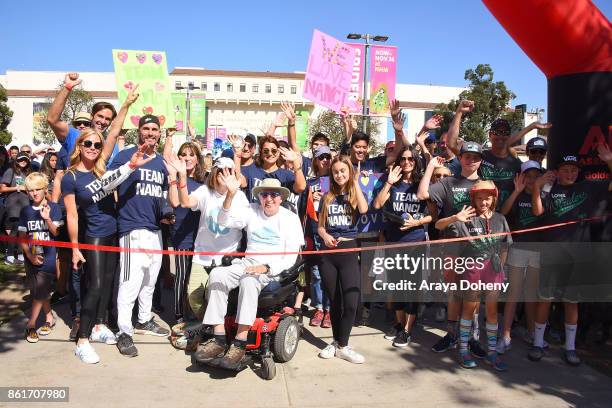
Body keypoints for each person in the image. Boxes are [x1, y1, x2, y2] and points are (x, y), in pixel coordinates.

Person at [194, 178, 304, 370]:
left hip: (272, 270)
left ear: (281, 197)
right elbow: (223, 219)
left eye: (274, 194)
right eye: (264, 194)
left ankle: (240, 342)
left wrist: (267, 268)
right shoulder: (252, 211)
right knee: (217, 275)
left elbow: (291, 256)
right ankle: (219, 337)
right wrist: (230, 194)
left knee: (249, 280)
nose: (268, 199)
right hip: (247, 263)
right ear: (259, 197)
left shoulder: (290, 218)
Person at [528, 146, 612, 366]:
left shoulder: (588, 188)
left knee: (571, 301)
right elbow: (537, 212)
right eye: (566, 169)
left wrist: (609, 160)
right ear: (557, 171)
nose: (570, 173)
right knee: (545, 299)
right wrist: (537, 186)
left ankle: (571, 347)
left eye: (574, 170)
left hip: (578, 255)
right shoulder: (550, 189)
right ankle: (538, 343)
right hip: (552, 252)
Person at [417, 142, 488, 359]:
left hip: (477, 247)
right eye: (467, 156)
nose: (471, 160)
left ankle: (472, 337)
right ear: (461, 158)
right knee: (454, 293)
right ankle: (452, 334)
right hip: (452, 244)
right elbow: (421, 195)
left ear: (480, 161)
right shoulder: (449, 182)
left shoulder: (486, 184)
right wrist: (430, 167)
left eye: (475, 157)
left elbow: (494, 214)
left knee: (473, 295)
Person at [108, 114, 171, 357]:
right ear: (139, 131)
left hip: (155, 229)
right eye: (146, 128)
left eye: (155, 129)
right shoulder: (126, 155)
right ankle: (124, 331)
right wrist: (130, 166)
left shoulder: (161, 162)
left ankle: (144, 319)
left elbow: (163, 193)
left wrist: (166, 212)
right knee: (129, 282)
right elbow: (108, 183)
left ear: (159, 132)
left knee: (149, 281)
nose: (151, 133)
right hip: (131, 228)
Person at [436, 180, 511, 371]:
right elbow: (438, 225)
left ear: (494, 198)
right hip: (471, 270)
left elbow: (505, 245)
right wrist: (454, 218)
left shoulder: (501, 219)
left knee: (492, 311)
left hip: (493, 270)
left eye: (487, 198)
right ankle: (463, 350)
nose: (483, 202)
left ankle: (492, 352)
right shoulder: (466, 217)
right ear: (473, 199)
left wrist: (501, 267)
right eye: (479, 198)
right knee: (468, 309)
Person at [373, 147, 432, 347]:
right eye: (403, 158)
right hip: (394, 241)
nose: (407, 162)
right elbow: (377, 205)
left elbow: (434, 215)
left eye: (411, 159)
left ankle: (407, 330)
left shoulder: (421, 185)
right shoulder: (392, 182)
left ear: (416, 161)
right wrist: (388, 183)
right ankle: (399, 324)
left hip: (415, 241)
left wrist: (417, 223)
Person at [316, 156, 368, 363]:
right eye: (336, 171)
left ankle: (343, 345)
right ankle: (337, 343)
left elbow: (364, 210)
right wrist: (325, 236)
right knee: (335, 301)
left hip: (348, 248)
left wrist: (354, 180)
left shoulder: (355, 193)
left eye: (343, 171)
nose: (339, 175)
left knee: (351, 301)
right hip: (328, 252)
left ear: (349, 172)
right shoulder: (326, 197)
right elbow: (320, 227)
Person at [497, 160, 546, 354]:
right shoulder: (514, 194)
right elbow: (503, 213)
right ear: (520, 177)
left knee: (531, 295)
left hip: (538, 251)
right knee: (513, 294)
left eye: (536, 176)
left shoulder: (544, 195)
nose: (531, 180)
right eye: (528, 176)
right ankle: (506, 335)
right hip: (517, 249)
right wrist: (517, 191)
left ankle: (532, 332)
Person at [164, 137, 206, 326]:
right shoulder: (173, 178)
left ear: (198, 159)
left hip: (202, 236)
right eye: (183, 155)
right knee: (181, 276)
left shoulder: (205, 181)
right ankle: (179, 315)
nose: (187, 158)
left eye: (191, 155)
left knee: (196, 279)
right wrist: (177, 176)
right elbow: (175, 202)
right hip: (182, 235)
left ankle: (196, 313)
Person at [446, 101, 521, 207]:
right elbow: (451, 143)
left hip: (507, 219)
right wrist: (459, 112)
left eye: (505, 133)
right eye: (497, 132)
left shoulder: (515, 162)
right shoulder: (479, 156)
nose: (501, 136)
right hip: (480, 214)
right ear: (490, 135)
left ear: (509, 136)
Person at [19, 173, 62, 343]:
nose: (34, 193)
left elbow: (56, 232)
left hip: (48, 257)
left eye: (38, 189)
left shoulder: (54, 207)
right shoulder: (25, 211)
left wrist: (48, 218)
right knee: (38, 290)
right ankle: (49, 317)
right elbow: (22, 236)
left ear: (45, 189)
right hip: (30, 256)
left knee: (41, 288)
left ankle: (31, 324)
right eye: (30, 190)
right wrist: (29, 255)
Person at [301, 145, 333, 328]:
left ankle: (329, 310)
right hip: (313, 232)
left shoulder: (337, 179)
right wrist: (311, 196)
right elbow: (303, 207)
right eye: (321, 157)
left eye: (328, 157)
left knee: (329, 273)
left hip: (331, 233)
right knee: (316, 274)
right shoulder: (310, 182)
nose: (325, 161)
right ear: (315, 160)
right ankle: (319, 308)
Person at [240, 135, 305, 212]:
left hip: (277, 219)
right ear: (261, 153)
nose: (270, 154)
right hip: (256, 218)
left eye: (273, 151)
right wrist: (237, 154)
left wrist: (295, 161)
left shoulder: (286, 174)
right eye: (266, 151)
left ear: (278, 153)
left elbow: (300, 187)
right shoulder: (251, 170)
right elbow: (240, 182)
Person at [1, 152, 34, 264]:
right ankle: (9, 255)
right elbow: (2, 189)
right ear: (16, 161)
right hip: (13, 205)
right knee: (14, 230)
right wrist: (18, 187)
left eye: (25, 159)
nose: (23, 161)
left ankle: (20, 254)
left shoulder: (28, 173)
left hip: (25, 205)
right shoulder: (11, 171)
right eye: (21, 160)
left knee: (23, 230)